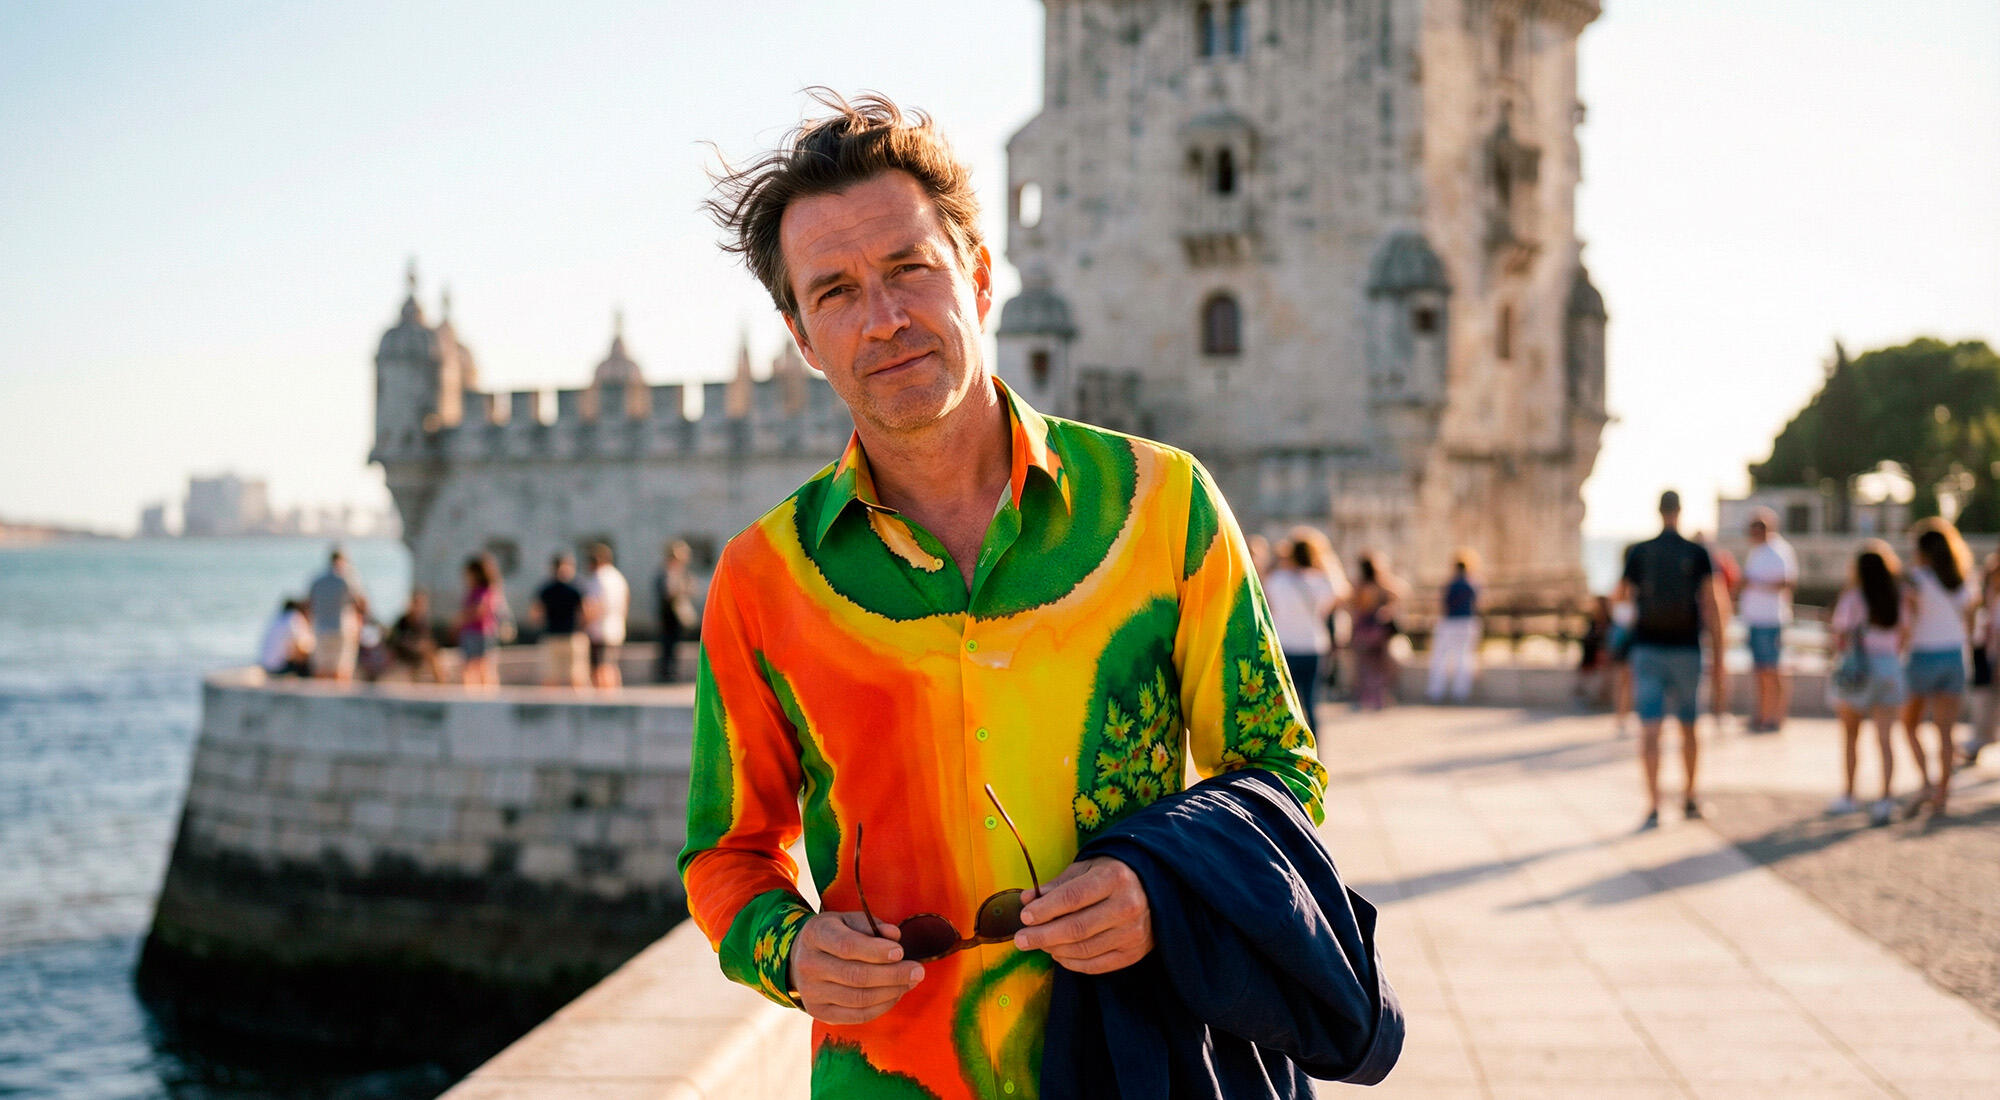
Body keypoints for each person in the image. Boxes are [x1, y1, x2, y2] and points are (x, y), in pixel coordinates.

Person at [677, 93, 1351, 1099]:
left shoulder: (1160, 504)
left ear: (978, 274)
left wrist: (1156, 889)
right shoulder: (762, 577)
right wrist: (787, 948)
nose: (885, 317)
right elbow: (726, 850)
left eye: (910, 267)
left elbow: (1280, 767)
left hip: (1142, 1061)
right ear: (801, 338)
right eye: (835, 291)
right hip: (890, 1079)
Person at [1617, 490, 1730, 829]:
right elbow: (1713, 604)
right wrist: (1720, 650)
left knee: (1650, 729)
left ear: (1658, 512)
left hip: (1648, 647)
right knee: (1689, 726)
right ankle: (1690, 797)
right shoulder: (1697, 552)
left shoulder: (1640, 552)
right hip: (1686, 648)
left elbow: (1620, 597)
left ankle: (1653, 804)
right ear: (1680, 512)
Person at [1825, 541, 1911, 827]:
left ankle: (1850, 795)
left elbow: (1839, 635)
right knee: (1886, 739)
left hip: (1858, 671)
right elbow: (1904, 634)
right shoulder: (1897, 596)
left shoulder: (1853, 597)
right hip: (1889, 668)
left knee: (1851, 737)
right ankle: (1885, 799)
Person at [1900, 516, 1976, 817]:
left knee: (1909, 725)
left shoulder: (1917, 581)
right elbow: (1969, 624)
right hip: (1954, 656)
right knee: (1946, 733)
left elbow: (1907, 623)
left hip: (1923, 656)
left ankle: (1926, 783)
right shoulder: (1962, 582)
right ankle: (1943, 794)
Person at [1262, 530, 1339, 725]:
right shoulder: (1322, 581)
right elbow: (1330, 604)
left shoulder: (1277, 580)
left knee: (1283, 702)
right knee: (1311, 701)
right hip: (1313, 644)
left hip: (1285, 644)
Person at [1736, 507, 1798, 733]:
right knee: (1760, 671)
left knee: (1772, 670)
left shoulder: (1780, 551)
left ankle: (1776, 716)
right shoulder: (1757, 552)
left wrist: (1756, 584)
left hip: (1771, 620)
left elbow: (1787, 583)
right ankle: (1762, 714)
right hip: (1754, 618)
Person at [1345, 553, 1402, 711]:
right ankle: (1379, 699)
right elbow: (1399, 594)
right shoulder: (1384, 585)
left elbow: (1353, 607)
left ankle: (1363, 698)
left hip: (1362, 630)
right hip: (1379, 630)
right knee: (1379, 666)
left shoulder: (1360, 586)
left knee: (1363, 666)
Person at [1426, 550, 1481, 703]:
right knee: (1463, 657)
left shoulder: (1450, 584)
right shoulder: (1473, 584)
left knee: (1440, 658)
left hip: (1449, 622)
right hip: (1467, 622)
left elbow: (1443, 604)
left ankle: (1435, 692)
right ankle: (1461, 693)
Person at [1961, 551, 2000, 767]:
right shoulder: (1988, 597)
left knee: (1987, 701)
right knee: (1983, 699)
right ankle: (1979, 739)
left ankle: (1981, 739)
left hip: (1993, 655)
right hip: (1984, 652)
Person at [306, 548, 368, 681]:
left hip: (320, 628)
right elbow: (361, 602)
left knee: (321, 669)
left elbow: (309, 604)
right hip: (342, 629)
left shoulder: (317, 580)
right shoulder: (347, 578)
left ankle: (319, 700)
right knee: (342, 669)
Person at [532, 553, 588, 687]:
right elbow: (586, 612)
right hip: (570, 635)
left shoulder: (545, 589)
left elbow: (535, 614)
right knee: (575, 676)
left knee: (552, 677)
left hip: (554, 635)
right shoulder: (576, 588)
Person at [581, 542, 629, 688]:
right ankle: (614, 694)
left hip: (598, 630)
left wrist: (583, 624)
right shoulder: (618, 577)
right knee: (611, 665)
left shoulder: (598, 578)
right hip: (617, 628)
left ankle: (603, 697)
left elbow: (593, 605)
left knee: (599, 668)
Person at [654, 540, 700, 683]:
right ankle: (666, 673)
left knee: (675, 646)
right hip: (668, 615)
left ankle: (671, 672)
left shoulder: (682, 574)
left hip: (678, 615)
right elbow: (666, 593)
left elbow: (691, 589)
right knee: (667, 645)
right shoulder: (666, 573)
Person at [457, 555, 503, 688]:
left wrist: (461, 619)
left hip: (479, 632)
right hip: (475, 632)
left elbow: (479, 611)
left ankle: (485, 695)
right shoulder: (478, 591)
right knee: (475, 666)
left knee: (481, 666)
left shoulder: (485, 591)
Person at [384, 590, 445, 683]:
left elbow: (427, 640)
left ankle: (441, 682)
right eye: (417, 603)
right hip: (403, 652)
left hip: (417, 653)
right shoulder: (402, 621)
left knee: (431, 652)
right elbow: (394, 639)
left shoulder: (422, 623)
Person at [256, 597, 313, 677]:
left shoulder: (278, 618)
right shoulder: (294, 618)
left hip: (266, 666)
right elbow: (300, 648)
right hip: (278, 667)